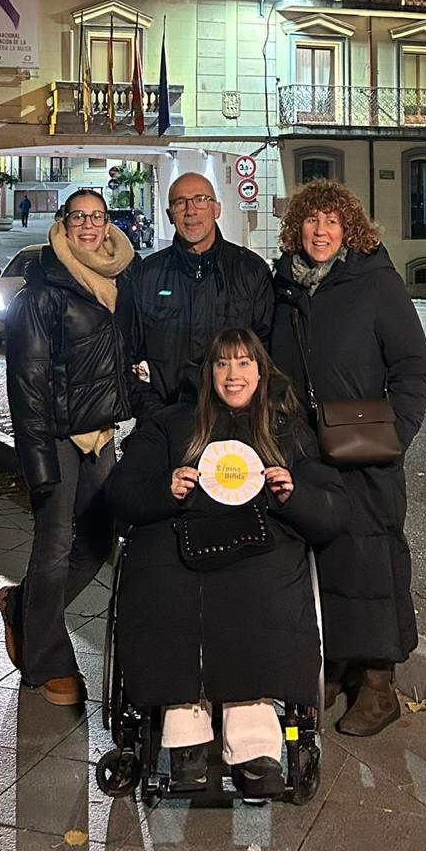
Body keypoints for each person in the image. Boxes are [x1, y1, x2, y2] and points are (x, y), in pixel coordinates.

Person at [107, 328, 348, 798]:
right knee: (167, 586)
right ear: (208, 373)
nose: (233, 375)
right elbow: (121, 490)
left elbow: (332, 510)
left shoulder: (287, 429)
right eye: (222, 364)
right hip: (180, 531)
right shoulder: (170, 423)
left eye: (243, 363)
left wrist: (293, 495)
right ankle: (186, 737)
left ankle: (254, 740)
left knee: (259, 589)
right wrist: (165, 489)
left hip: (262, 539)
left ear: (261, 371)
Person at [271, 179, 426, 738]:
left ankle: (380, 687)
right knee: (325, 561)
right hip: (304, 448)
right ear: (297, 228)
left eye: (332, 222)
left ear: (349, 229)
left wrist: (393, 434)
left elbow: (413, 368)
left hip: (366, 447)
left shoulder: (375, 283)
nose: (321, 231)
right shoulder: (285, 286)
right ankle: (336, 668)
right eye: (311, 220)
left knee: (372, 563)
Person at [0, 189, 147, 707]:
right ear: (63, 223)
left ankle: (23, 607)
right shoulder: (42, 293)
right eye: (78, 216)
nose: (88, 225)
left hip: (100, 434)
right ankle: (45, 663)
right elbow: (27, 387)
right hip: (57, 437)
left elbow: (119, 360)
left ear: (108, 224)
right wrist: (39, 465)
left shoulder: (120, 280)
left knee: (100, 540)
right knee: (56, 545)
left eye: (97, 216)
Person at [130, 171, 274, 406]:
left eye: (200, 200)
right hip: (166, 416)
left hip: (236, 416)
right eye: (180, 203)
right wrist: (154, 413)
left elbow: (267, 351)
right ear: (169, 215)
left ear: (217, 209)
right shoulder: (146, 274)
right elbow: (130, 354)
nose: (191, 211)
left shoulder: (250, 270)